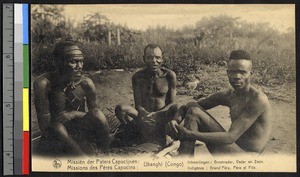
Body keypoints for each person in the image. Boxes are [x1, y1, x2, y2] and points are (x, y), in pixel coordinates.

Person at [167, 50, 272, 156]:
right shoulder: (229, 95)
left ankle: (184, 158)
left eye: (242, 72)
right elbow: (190, 105)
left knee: (194, 114)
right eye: (233, 72)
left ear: (251, 74)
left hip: (248, 158)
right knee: (194, 110)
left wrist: (191, 134)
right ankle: (185, 160)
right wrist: (175, 120)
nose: (237, 76)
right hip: (232, 149)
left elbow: (230, 137)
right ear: (227, 73)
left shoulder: (257, 99)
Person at [33, 41, 109, 156]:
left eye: (81, 61)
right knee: (57, 128)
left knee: (98, 114)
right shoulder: (43, 84)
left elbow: (95, 121)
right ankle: (82, 160)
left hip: (78, 133)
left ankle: (104, 154)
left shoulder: (85, 83)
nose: (79, 67)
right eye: (73, 62)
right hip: (56, 138)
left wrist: (74, 114)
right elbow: (46, 128)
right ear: (58, 62)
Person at [115, 44, 178, 145]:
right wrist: (144, 113)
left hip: (163, 118)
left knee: (177, 107)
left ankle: (156, 134)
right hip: (144, 118)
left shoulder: (170, 75)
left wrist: (157, 114)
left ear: (162, 59)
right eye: (149, 58)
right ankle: (136, 132)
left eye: (157, 58)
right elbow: (138, 104)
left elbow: (172, 104)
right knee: (120, 108)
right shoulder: (137, 77)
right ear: (144, 59)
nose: (154, 61)